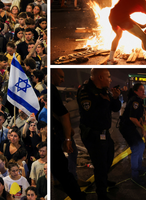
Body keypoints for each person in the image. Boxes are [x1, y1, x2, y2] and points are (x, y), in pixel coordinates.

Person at [77, 69, 121, 200]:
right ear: (100, 77)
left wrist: (114, 97)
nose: (110, 79)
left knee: (108, 159)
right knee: (100, 164)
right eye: (108, 77)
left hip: (104, 133)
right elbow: (92, 114)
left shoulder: (104, 90)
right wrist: (106, 101)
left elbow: (115, 107)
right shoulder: (86, 91)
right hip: (93, 134)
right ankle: (101, 194)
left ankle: (103, 180)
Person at [51, 69, 86, 200]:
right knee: (66, 162)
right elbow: (64, 114)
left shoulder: (53, 91)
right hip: (57, 133)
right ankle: (74, 184)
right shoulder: (53, 90)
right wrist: (67, 138)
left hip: (57, 132)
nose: (63, 79)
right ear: (52, 74)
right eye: (60, 76)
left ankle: (60, 180)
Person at [119, 83, 146, 185]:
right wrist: (142, 127)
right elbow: (132, 118)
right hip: (126, 127)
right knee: (136, 148)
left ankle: (139, 167)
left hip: (130, 127)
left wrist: (142, 123)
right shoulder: (135, 100)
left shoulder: (138, 100)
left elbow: (138, 116)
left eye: (143, 90)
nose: (143, 91)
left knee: (141, 145)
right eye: (141, 90)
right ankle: (135, 176)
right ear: (135, 91)